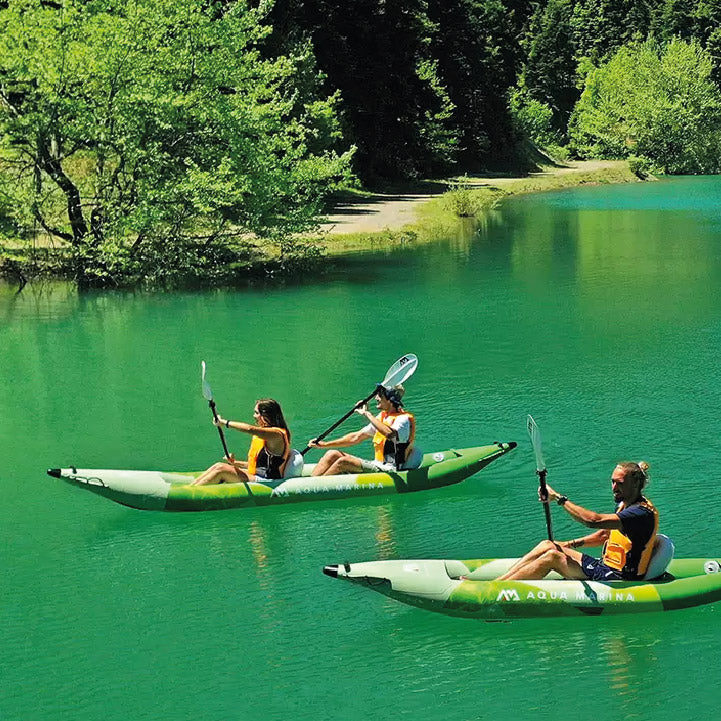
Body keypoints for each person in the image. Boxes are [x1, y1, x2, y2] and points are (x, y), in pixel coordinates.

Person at [497, 461, 658, 581]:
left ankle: (495, 592)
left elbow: (593, 521)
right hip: (603, 566)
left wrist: (559, 498)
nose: (614, 488)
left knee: (552, 557)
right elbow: (604, 535)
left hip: (618, 577)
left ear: (636, 484)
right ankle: (498, 583)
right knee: (549, 545)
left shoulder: (640, 513)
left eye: (620, 483)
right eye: (612, 481)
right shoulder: (624, 503)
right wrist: (570, 544)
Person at [308, 384, 421, 476]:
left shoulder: (403, 419)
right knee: (331, 454)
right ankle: (307, 485)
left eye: (380, 396)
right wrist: (324, 444)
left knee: (343, 462)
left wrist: (367, 414)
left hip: (389, 468)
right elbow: (356, 437)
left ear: (390, 400)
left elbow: (391, 434)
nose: (376, 398)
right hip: (376, 464)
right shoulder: (382, 417)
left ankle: (314, 489)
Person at [192, 399, 291, 485]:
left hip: (268, 480)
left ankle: (192, 493)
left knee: (221, 469)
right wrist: (235, 463)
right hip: (257, 476)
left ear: (265, 415)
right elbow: (257, 466)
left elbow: (249, 429)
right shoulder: (267, 433)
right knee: (218, 465)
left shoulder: (277, 434)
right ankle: (190, 488)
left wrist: (224, 423)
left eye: (256, 413)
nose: (254, 415)